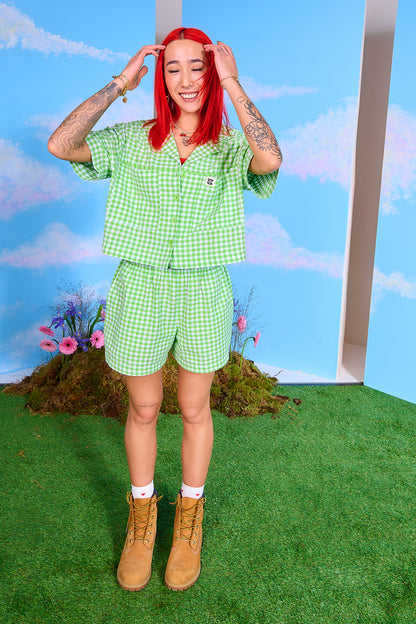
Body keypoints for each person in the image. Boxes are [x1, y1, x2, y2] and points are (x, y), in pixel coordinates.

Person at [48, 26, 282, 592]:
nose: (186, 79)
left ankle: (189, 519)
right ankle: (142, 516)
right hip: (140, 285)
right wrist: (120, 83)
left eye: (197, 66)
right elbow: (61, 144)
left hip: (204, 287)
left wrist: (232, 81)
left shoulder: (231, 145)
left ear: (212, 72)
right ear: (160, 78)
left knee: (195, 409)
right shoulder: (131, 139)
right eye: (172, 68)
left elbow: (271, 157)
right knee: (145, 407)